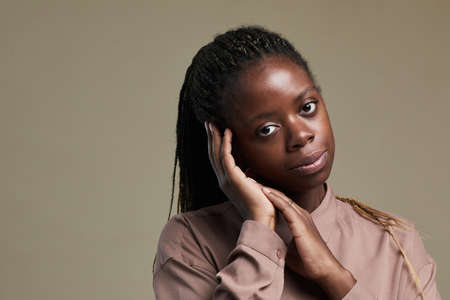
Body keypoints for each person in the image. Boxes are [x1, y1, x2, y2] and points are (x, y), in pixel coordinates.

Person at [153, 25, 441, 299]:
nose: (301, 135)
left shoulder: (394, 240)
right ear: (226, 148)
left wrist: (334, 276)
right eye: (266, 129)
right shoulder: (190, 242)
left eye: (307, 107)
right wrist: (261, 232)